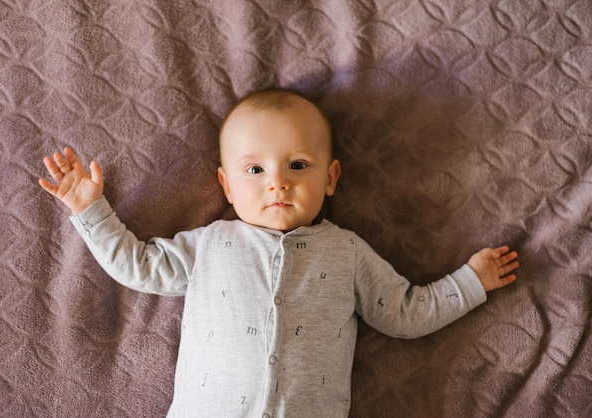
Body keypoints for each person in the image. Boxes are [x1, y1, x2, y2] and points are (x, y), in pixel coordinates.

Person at [39, 89, 519, 418]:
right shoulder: (208, 245)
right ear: (226, 186)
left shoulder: (347, 252)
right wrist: (90, 208)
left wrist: (469, 283)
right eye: (254, 169)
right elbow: (138, 265)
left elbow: (404, 312)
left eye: (297, 164)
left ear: (330, 179)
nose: (277, 181)